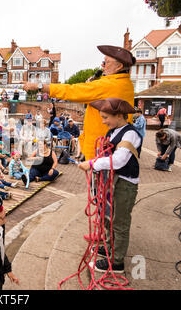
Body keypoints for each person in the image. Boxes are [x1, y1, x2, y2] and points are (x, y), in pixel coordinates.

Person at [24, 45, 136, 161]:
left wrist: (38, 86)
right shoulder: (126, 84)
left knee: (100, 179)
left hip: (101, 150)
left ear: (119, 66)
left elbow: (71, 90)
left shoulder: (109, 85)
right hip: (110, 148)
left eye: (106, 62)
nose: (102, 65)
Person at [79, 98, 141, 274]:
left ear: (120, 116)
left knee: (120, 221)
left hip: (124, 184)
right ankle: (108, 248)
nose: (103, 121)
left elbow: (119, 160)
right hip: (110, 182)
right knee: (107, 217)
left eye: (106, 117)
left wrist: (91, 164)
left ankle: (117, 261)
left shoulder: (131, 134)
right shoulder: (113, 132)